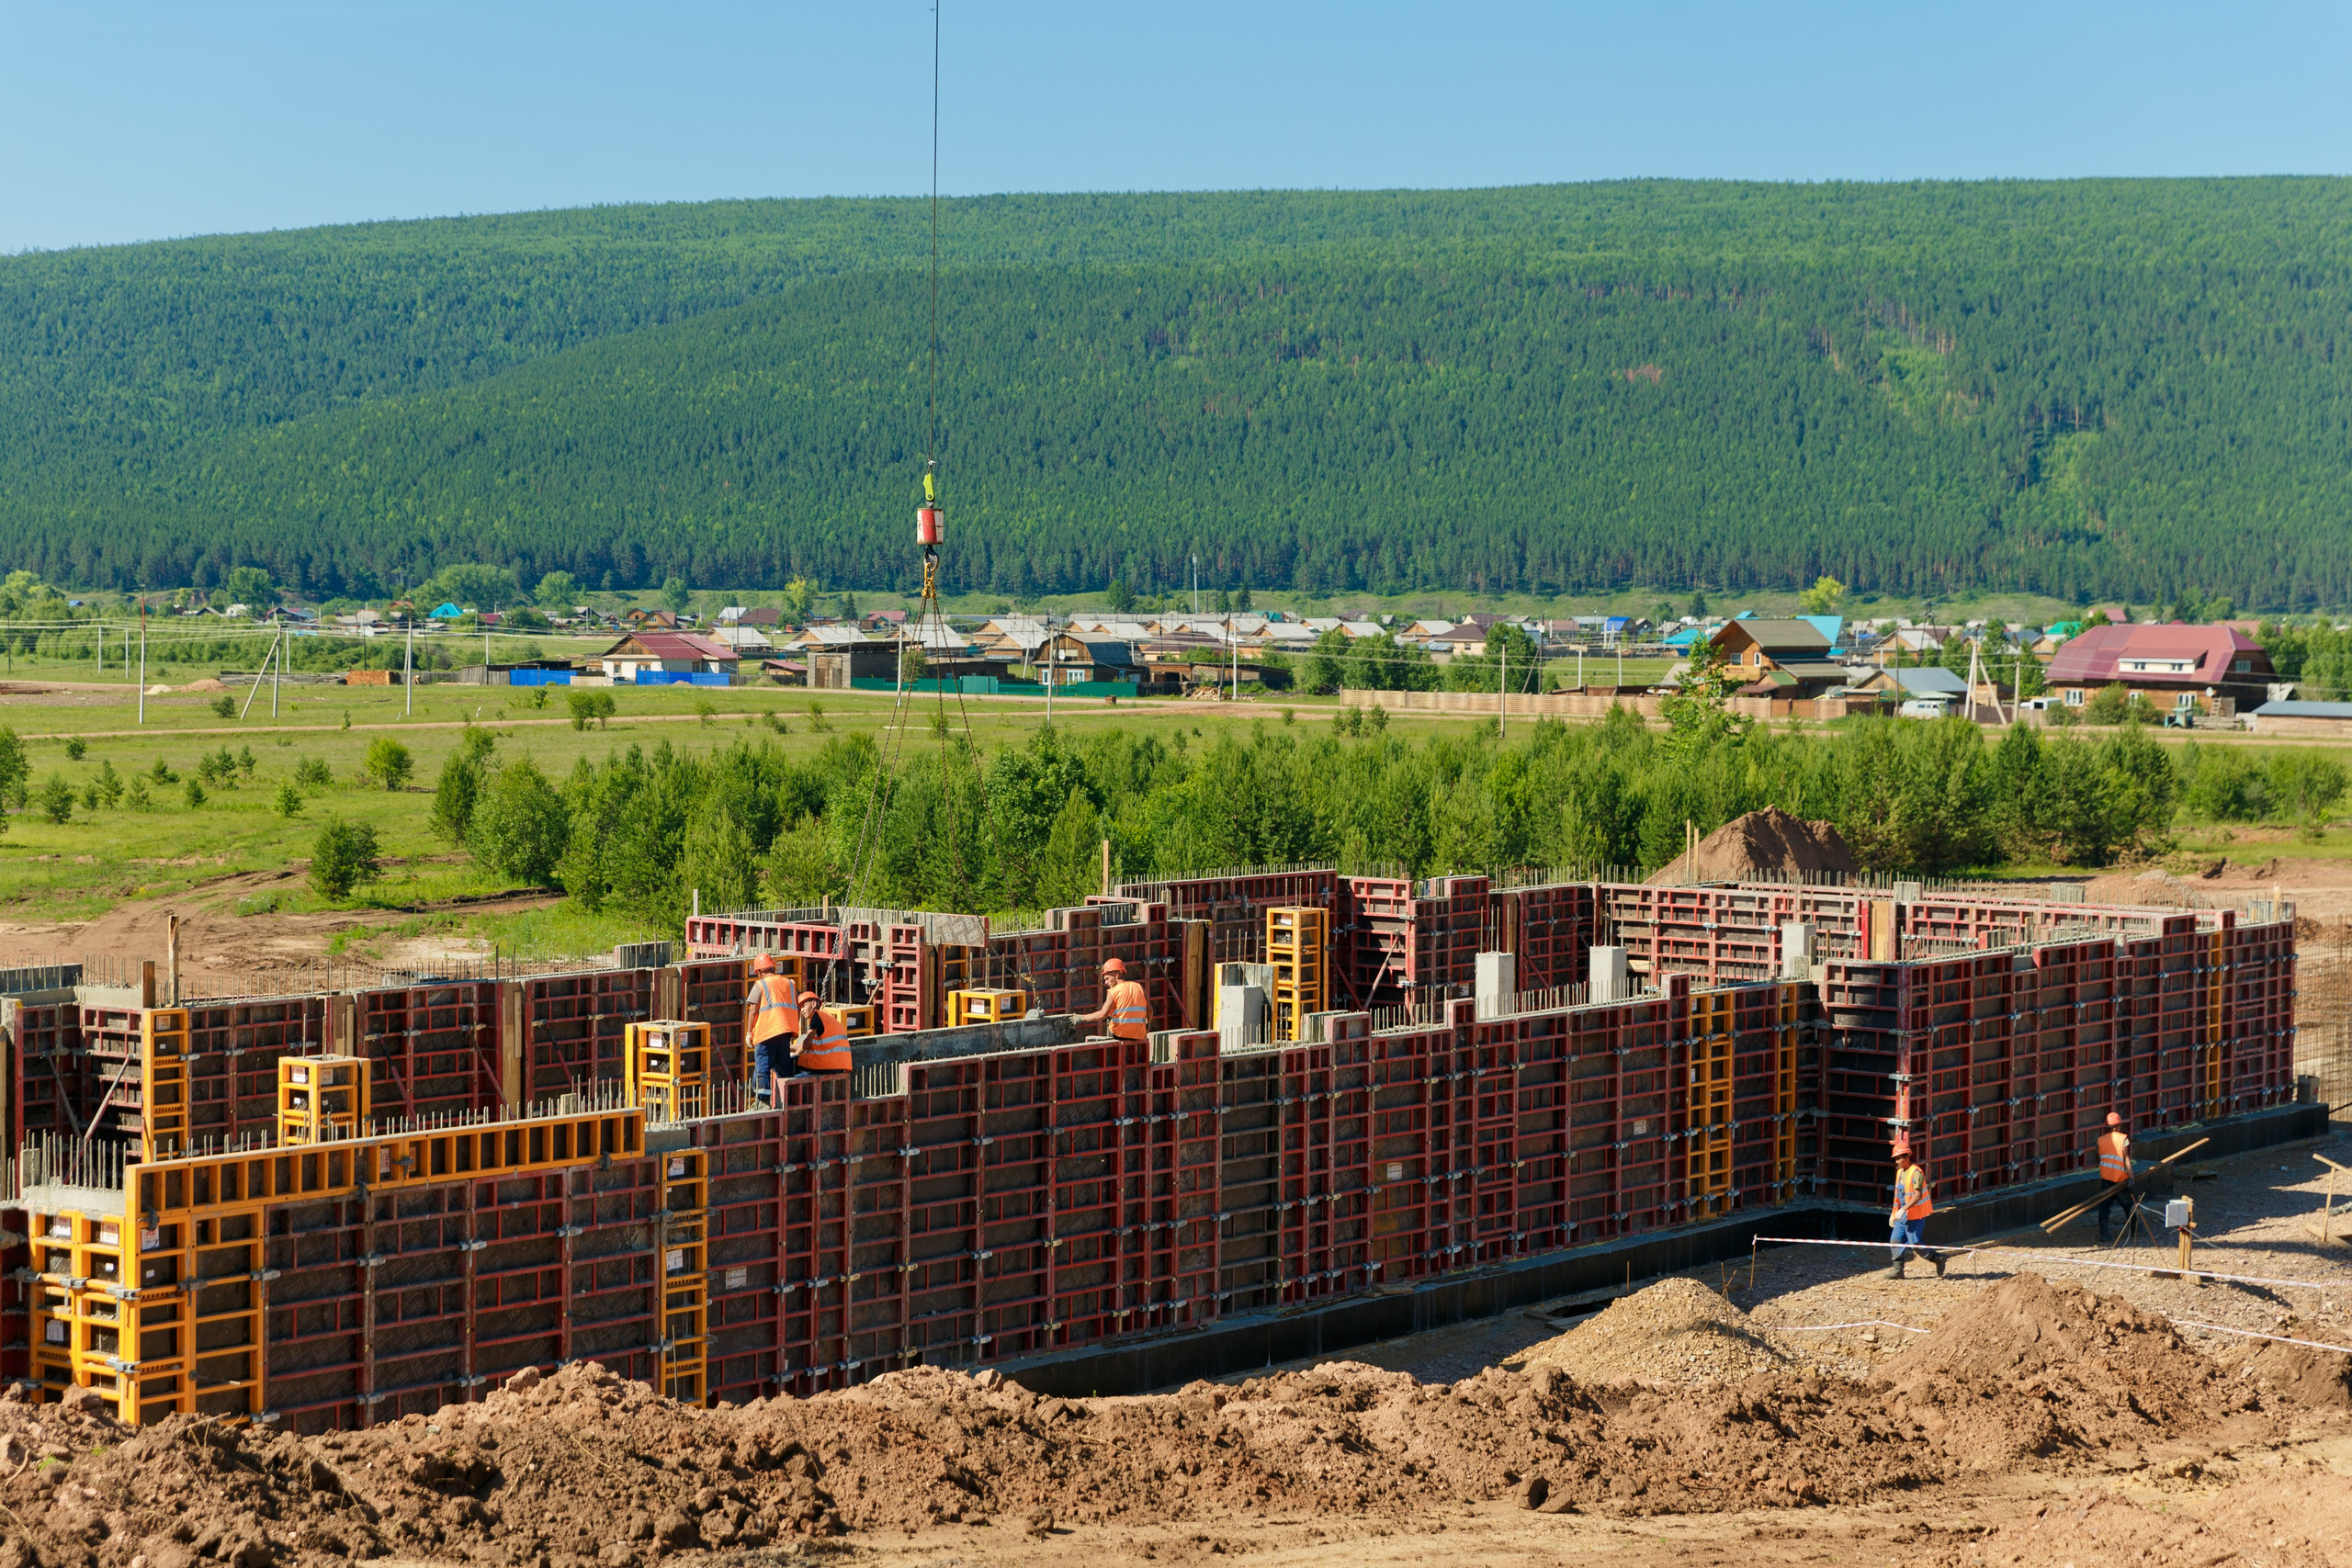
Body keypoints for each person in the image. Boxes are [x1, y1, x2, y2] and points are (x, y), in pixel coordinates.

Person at [742, 953, 801, 1109]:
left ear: (759, 972)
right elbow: (798, 1005)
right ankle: (788, 1099)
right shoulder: (790, 983)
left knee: (762, 1068)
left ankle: (763, 1102)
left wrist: (749, 1033)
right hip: (785, 1032)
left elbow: (753, 1010)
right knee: (783, 1067)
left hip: (766, 1032)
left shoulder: (760, 985)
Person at [1886, 1146, 1944, 1279]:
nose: (1897, 1161)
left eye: (1899, 1158)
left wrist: (1903, 1210)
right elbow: (1898, 1196)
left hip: (1915, 1215)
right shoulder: (1900, 1172)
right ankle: (1898, 1271)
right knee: (1895, 1240)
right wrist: (1894, 1213)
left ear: (1907, 1157)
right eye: (1895, 1159)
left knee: (1915, 1244)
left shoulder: (1916, 1173)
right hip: (1902, 1215)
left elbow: (1917, 1196)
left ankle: (1937, 1258)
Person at [1074, 956, 1149, 1042]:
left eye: (1107, 979)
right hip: (1140, 1035)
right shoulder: (1139, 987)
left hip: (1121, 1035)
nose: (1106, 983)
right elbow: (1150, 1011)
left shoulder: (1114, 991)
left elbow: (1102, 1014)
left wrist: (1081, 1018)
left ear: (1116, 975)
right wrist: (1147, 1024)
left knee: (1111, 1023)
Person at [2096, 1111, 2136, 1245]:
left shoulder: (2100, 1140)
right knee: (2129, 1206)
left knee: (2104, 1207)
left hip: (2106, 1179)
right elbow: (2126, 1159)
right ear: (2118, 1126)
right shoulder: (2123, 1139)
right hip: (2120, 1180)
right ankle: (2134, 1230)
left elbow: (2100, 1157)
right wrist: (2131, 1176)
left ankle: (2104, 1234)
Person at [789, 995, 853, 1077]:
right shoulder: (825, 1016)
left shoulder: (817, 1015)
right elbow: (805, 1045)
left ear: (814, 1003)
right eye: (800, 1008)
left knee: (790, 1062)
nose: (802, 1010)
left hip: (828, 1063)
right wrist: (788, 1048)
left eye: (804, 1006)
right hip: (840, 1064)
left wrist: (795, 1055)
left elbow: (807, 1043)